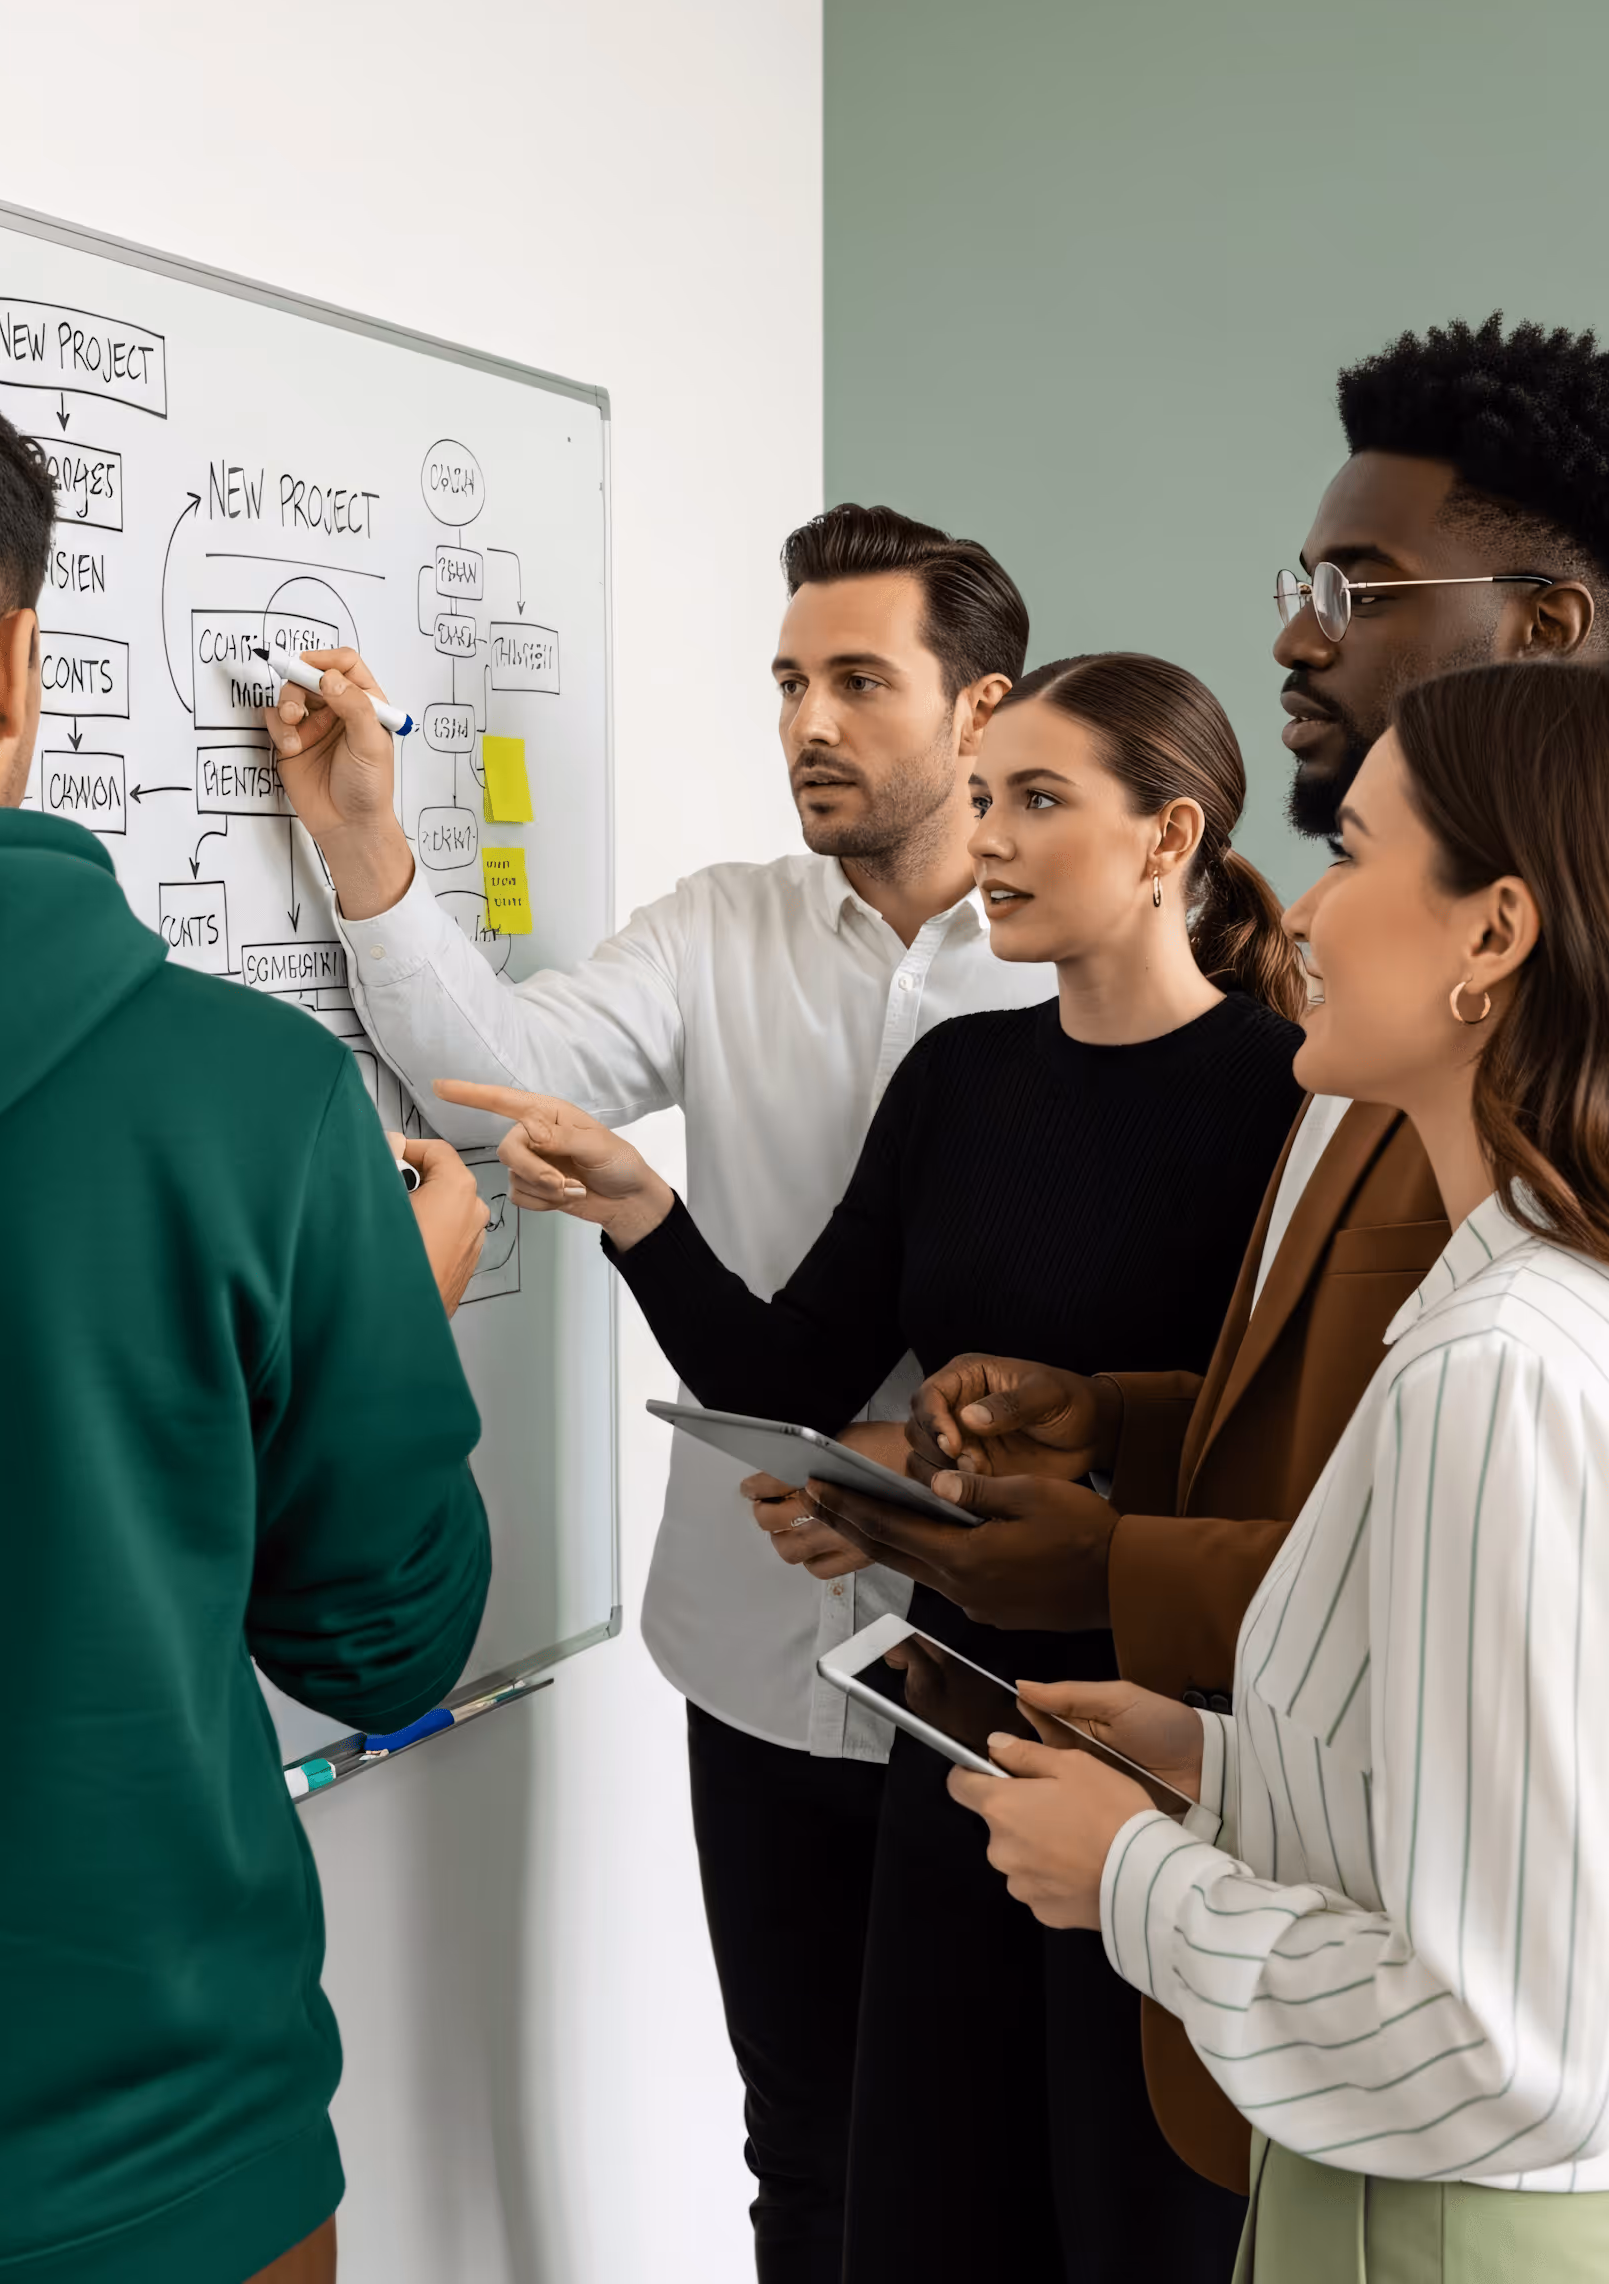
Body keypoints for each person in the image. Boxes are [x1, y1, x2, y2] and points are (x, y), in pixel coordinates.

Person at [813, 314, 1609, 2192]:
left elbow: (1487, 1589)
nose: (1294, 629)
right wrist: (1113, 1424)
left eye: (1353, 584)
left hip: (1377, 2049)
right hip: (1283, 1896)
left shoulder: (1526, 1214)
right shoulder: (1367, 1041)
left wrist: (1114, 1583)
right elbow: (1327, 1441)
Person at [439, 652, 1307, 2281]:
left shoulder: (1287, 1100)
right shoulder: (957, 1082)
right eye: (986, 797)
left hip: (1181, 1756)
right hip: (949, 1720)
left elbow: (1291, 1448)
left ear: (1168, 836)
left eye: (1039, 800)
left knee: (1138, 2221)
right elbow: (788, 1371)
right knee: (925, 2206)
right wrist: (642, 1209)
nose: (989, 838)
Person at [263, 506, 1052, 2283]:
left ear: (982, 709)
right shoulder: (722, 927)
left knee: (997, 2163)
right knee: (806, 2156)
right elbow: (508, 1092)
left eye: (859, 680)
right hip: (755, 1657)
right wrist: (369, 844)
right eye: (789, 683)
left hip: (1012, 1666)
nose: (807, 724)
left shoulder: (1075, 946)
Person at [954, 659, 1609, 2280]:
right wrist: (1218, 1761)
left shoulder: (1500, 1363)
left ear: (1495, 933)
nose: (1305, 911)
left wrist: (1130, 1877)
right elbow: (1516, 1831)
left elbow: (1507, 2044)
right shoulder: (1523, 1301)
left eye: (1362, 852)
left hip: (1443, 2224)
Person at [0, 365, 493, 2284]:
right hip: (158, 2166)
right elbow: (386, 1638)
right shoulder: (246, 1099)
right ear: (15, 666)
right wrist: (400, 1318)